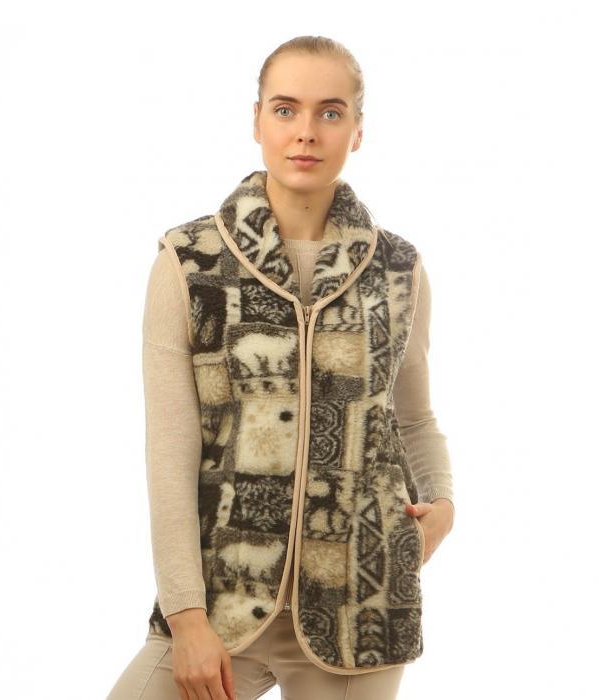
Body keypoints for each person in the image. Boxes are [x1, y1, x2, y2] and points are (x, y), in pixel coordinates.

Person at [106, 35, 455, 700]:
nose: (306, 132)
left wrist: (442, 503)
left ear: (357, 130)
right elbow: (171, 452)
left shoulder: (397, 268)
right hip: (223, 602)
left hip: (360, 607)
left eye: (330, 112)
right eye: (286, 109)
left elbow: (413, 418)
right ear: (257, 120)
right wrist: (185, 617)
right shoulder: (189, 262)